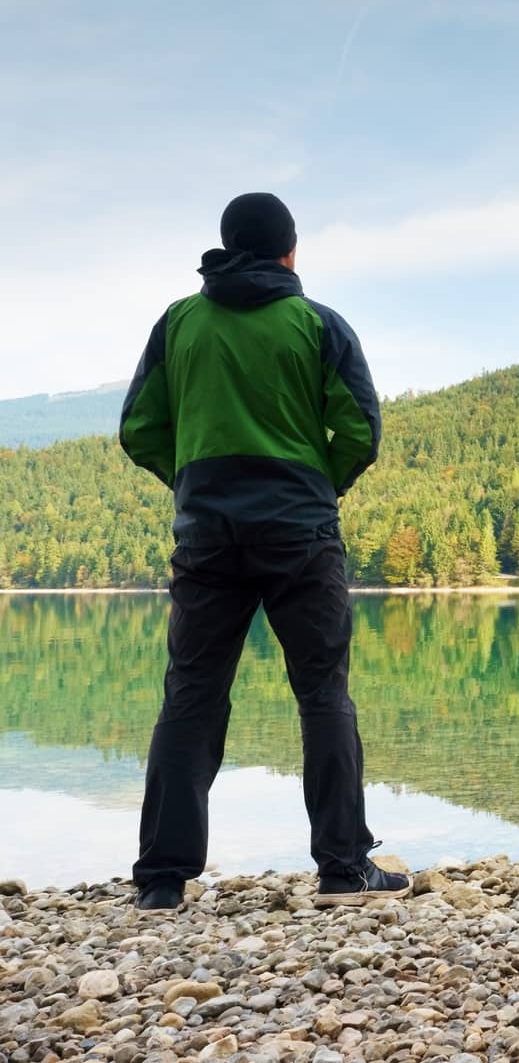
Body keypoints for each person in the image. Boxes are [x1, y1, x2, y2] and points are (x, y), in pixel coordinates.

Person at [119, 192, 411, 910]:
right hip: (301, 533)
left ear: (226, 246)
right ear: (290, 251)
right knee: (323, 693)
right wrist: (317, 487)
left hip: (207, 534)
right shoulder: (317, 324)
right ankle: (343, 868)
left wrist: (193, 482)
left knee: (190, 695)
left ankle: (162, 879)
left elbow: (139, 428)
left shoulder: (179, 322)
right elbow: (361, 430)